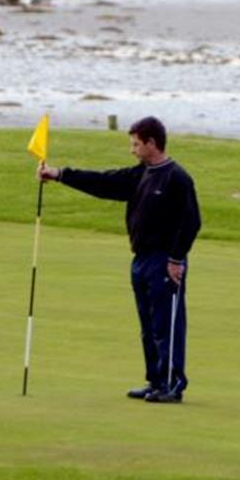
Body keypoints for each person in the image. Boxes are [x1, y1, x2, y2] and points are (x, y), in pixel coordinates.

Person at [38, 116, 201, 403]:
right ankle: (155, 380)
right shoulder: (141, 174)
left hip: (165, 261)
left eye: (136, 144)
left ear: (152, 143)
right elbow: (104, 182)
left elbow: (191, 223)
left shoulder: (177, 178)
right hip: (140, 261)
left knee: (166, 325)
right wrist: (59, 174)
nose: (132, 149)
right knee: (148, 326)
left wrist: (176, 260)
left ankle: (173, 385)